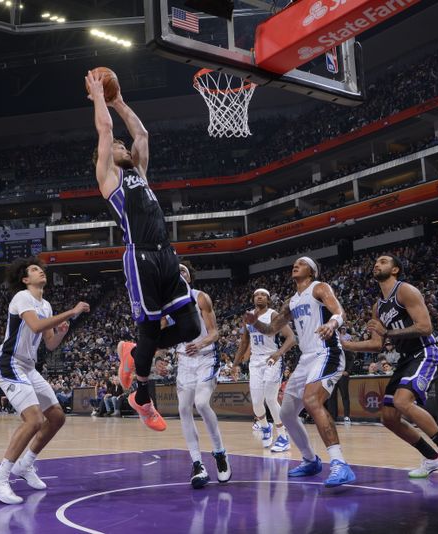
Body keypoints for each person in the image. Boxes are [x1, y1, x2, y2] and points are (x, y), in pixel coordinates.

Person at [87, 69, 201, 432]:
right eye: (118, 147)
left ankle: (132, 353)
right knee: (150, 328)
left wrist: (119, 101)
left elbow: (142, 133)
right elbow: (105, 131)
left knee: (190, 326)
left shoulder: (140, 174)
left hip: (166, 254)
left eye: (123, 146)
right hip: (139, 257)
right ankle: (142, 395)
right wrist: (100, 99)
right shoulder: (109, 179)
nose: (123, 145)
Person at [342, 254, 438, 486]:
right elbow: (376, 344)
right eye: (376, 262)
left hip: (425, 352)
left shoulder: (405, 291)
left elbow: (425, 326)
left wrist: (387, 332)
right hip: (406, 359)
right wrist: (347, 345)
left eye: (383, 261)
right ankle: (432, 458)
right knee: (388, 418)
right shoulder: (377, 307)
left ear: (395, 270)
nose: (377, 264)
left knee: (402, 402)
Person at [0, 257, 90, 505]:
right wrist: (72, 312)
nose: (40, 271)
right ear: (25, 279)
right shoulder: (22, 297)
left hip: (29, 367)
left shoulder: (47, 305)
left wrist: (62, 331)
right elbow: (35, 324)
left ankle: (25, 464)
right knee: (34, 420)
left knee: (57, 417)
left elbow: (49, 343)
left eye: (41, 269)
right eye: (34, 269)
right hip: (10, 363)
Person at [247, 256, 355, 487]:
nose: (296, 265)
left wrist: (332, 324)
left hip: (326, 351)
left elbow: (339, 311)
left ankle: (339, 463)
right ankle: (310, 460)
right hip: (306, 359)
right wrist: (254, 323)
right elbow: (271, 330)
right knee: (286, 414)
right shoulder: (292, 301)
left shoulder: (320, 288)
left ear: (312, 271)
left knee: (312, 400)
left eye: (302, 263)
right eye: (295, 263)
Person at [174, 261, 231, 488]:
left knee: (202, 403)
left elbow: (215, 333)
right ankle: (197, 464)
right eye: (175, 271)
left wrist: (200, 344)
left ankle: (219, 453)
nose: (178, 273)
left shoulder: (200, 298)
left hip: (206, 357)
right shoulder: (166, 305)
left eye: (183, 271)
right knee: (183, 409)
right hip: (184, 361)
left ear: (189, 277)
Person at [233, 288, 296, 452]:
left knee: (270, 398)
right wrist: (235, 364)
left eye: (263, 295)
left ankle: (283, 435)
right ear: (253, 298)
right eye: (256, 295)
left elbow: (291, 338)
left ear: (268, 299)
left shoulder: (273, 315)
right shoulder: (248, 316)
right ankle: (265, 427)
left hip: (271, 359)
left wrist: (278, 353)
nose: (259, 297)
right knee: (256, 402)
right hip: (255, 361)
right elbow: (244, 342)